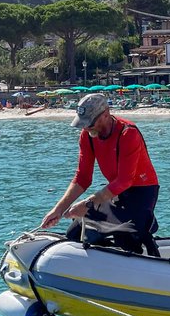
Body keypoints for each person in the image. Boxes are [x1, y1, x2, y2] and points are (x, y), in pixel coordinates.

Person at [40, 93, 160, 255]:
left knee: (124, 237)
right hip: (114, 191)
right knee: (74, 233)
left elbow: (124, 181)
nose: (85, 127)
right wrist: (58, 210)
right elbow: (82, 178)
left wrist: (87, 204)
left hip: (141, 193)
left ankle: (144, 243)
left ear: (106, 114)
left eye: (89, 123)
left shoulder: (128, 133)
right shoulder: (87, 135)